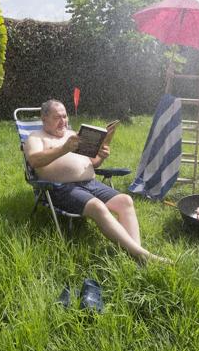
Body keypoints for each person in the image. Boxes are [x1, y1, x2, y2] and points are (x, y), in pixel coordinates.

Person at [24, 99, 169, 263]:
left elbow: (92, 164)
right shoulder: (35, 138)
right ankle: (144, 256)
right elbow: (35, 161)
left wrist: (101, 155)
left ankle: (137, 253)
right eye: (57, 117)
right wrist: (64, 148)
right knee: (97, 206)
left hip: (90, 183)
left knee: (125, 200)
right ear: (44, 119)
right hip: (61, 188)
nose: (63, 121)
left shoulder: (73, 135)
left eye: (65, 116)